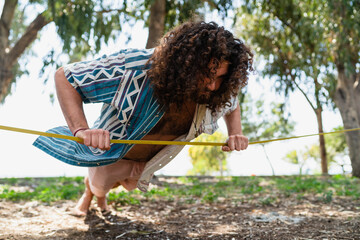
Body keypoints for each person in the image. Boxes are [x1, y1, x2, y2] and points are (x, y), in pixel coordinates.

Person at [33, 21, 253, 216]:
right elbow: (66, 77)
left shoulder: (217, 92)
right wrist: (81, 129)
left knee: (124, 185)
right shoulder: (134, 67)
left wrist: (236, 133)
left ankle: (96, 193)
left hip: (151, 163)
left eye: (221, 77)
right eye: (206, 75)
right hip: (112, 154)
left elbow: (231, 104)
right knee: (100, 187)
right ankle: (92, 196)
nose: (213, 86)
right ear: (185, 65)